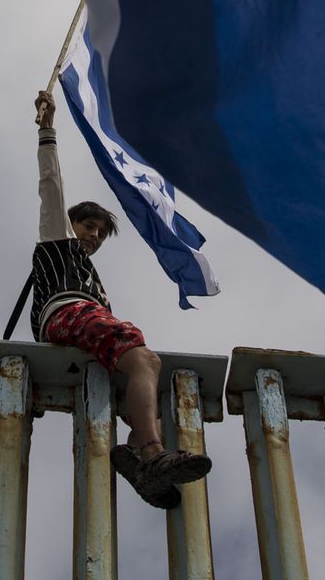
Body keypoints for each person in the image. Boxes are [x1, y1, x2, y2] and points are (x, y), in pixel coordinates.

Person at [29, 92, 210, 508]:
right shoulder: (57, 241)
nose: (92, 235)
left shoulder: (93, 277)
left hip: (82, 324)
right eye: (87, 225)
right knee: (142, 356)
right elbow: (50, 186)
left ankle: (137, 450)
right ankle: (150, 454)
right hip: (67, 315)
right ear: (70, 223)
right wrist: (46, 129)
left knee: (144, 380)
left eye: (98, 232)